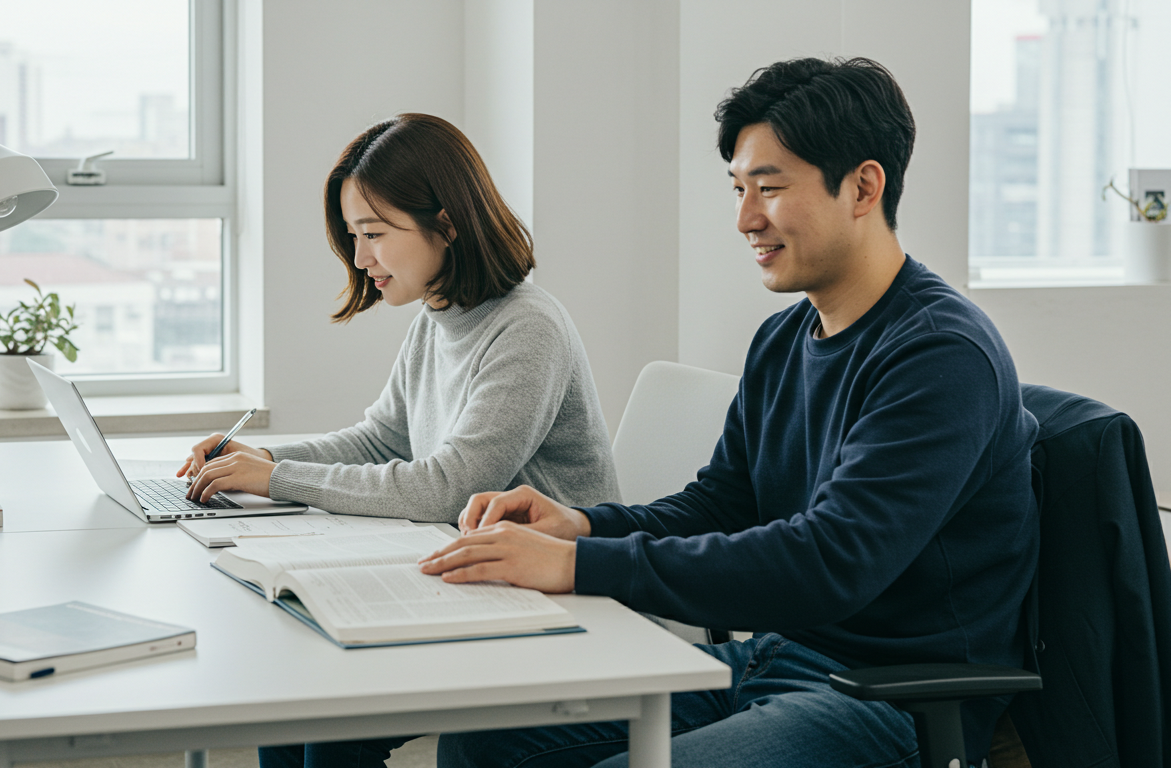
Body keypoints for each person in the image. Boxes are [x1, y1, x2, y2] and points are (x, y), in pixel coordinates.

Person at [420, 57, 1039, 768]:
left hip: (887, 701)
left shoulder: (940, 354)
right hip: (770, 662)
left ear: (864, 187)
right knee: (482, 743)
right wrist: (584, 523)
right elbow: (725, 501)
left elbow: (830, 561)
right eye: (740, 188)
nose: (745, 219)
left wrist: (579, 563)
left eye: (770, 189)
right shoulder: (785, 336)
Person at [179, 113, 618, 523]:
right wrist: (265, 460)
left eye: (373, 233)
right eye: (354, 236)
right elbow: (382, 442)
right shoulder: (436, 318)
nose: (359, 257)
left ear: (447, 226)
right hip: (483, 561)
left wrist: (277, 480)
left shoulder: (528, 329)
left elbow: (450, 489)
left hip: (570, 588)